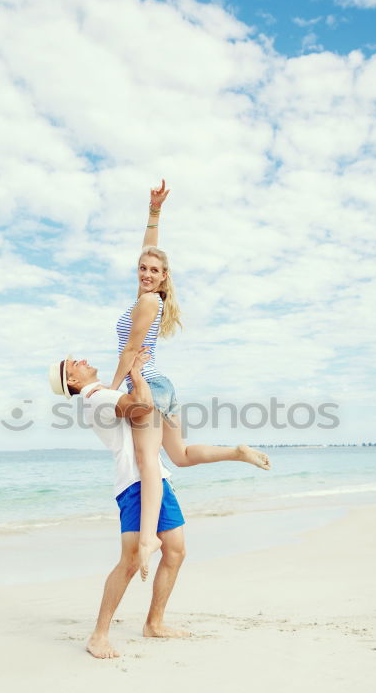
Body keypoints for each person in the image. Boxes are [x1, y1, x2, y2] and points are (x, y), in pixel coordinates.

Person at [109, 180, 270, 581]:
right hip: (163, 385)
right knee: (176, 455)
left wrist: (111, 393)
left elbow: (129, 352)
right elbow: (149, 249)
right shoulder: (148, 296)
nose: (146, 274)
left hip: (145, 385)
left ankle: (147, 538)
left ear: (164, 278)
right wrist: (154, 213)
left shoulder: (148, 301)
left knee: (149, 460)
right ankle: (236, 451)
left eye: (153, 271)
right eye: (142, 269)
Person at [49, 349, 189, 658]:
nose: (81, 359)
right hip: (137, 484)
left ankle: (154, 623)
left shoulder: (102, 395)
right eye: (75, 363)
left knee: (176, 549)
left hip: (154, 480)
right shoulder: (98, 399)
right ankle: (98, 636)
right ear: (72, 380)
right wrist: (137, 374)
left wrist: (132, 369)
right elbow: (142, 407)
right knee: (128, 561)